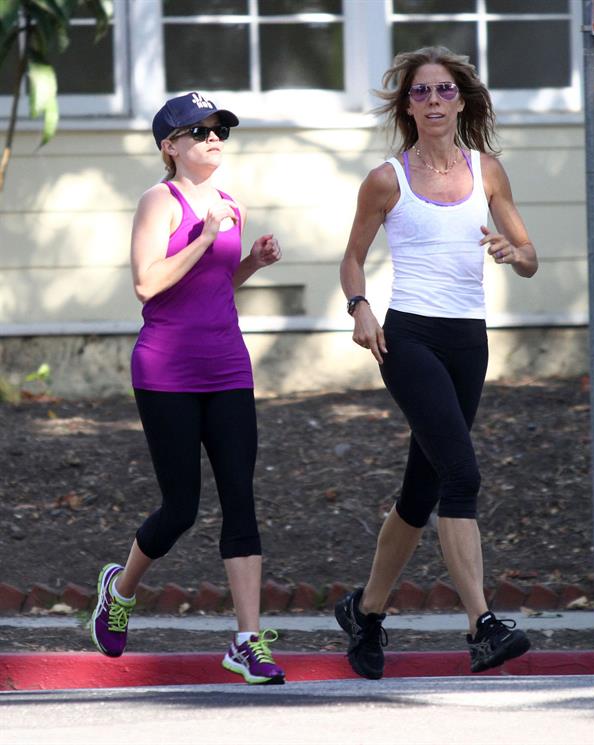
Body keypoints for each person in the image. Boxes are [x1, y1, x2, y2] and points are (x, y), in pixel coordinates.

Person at [335, 46, 538, 680]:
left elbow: (530, 256)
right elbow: (351, 259)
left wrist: (512, 250)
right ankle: (483, 625)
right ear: (407, 106)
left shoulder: (488, 172)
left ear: (462, 101)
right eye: (420, 93)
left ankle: (364, 613)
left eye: (443, 91)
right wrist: (360, 306)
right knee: (462, 474)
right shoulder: (386, 179)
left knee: (420, 494)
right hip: (409, 340)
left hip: (467, 341)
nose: (432, 102)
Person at [90, 91, 285, 685]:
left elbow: (214, 284)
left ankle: (247, 641)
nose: (212, 138)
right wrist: (203, 236)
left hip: (228, 366)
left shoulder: (230, 204)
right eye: (198, 131)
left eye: (219, 128)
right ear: (169, 146)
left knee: (240, 499)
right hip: (167, 370)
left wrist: (249, 261)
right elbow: (149, 285)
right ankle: (119, 590)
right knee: (181, 508)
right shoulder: (159, 201)